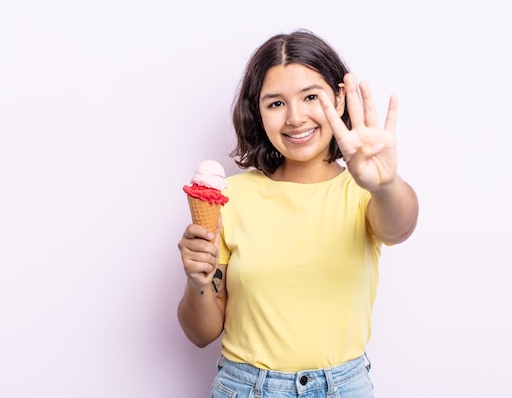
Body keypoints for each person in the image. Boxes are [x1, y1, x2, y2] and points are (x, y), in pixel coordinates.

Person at [177, 29, 419, 398]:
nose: (295, 118)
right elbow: (201, 334)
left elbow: (400, 226)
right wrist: (197, 281)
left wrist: (384, 184)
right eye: (275, 103)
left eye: (310, 96)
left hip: (344, 387)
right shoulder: (232, 197)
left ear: (339, 99)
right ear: (257, 112)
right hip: (246, 387)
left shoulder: (363, 191)